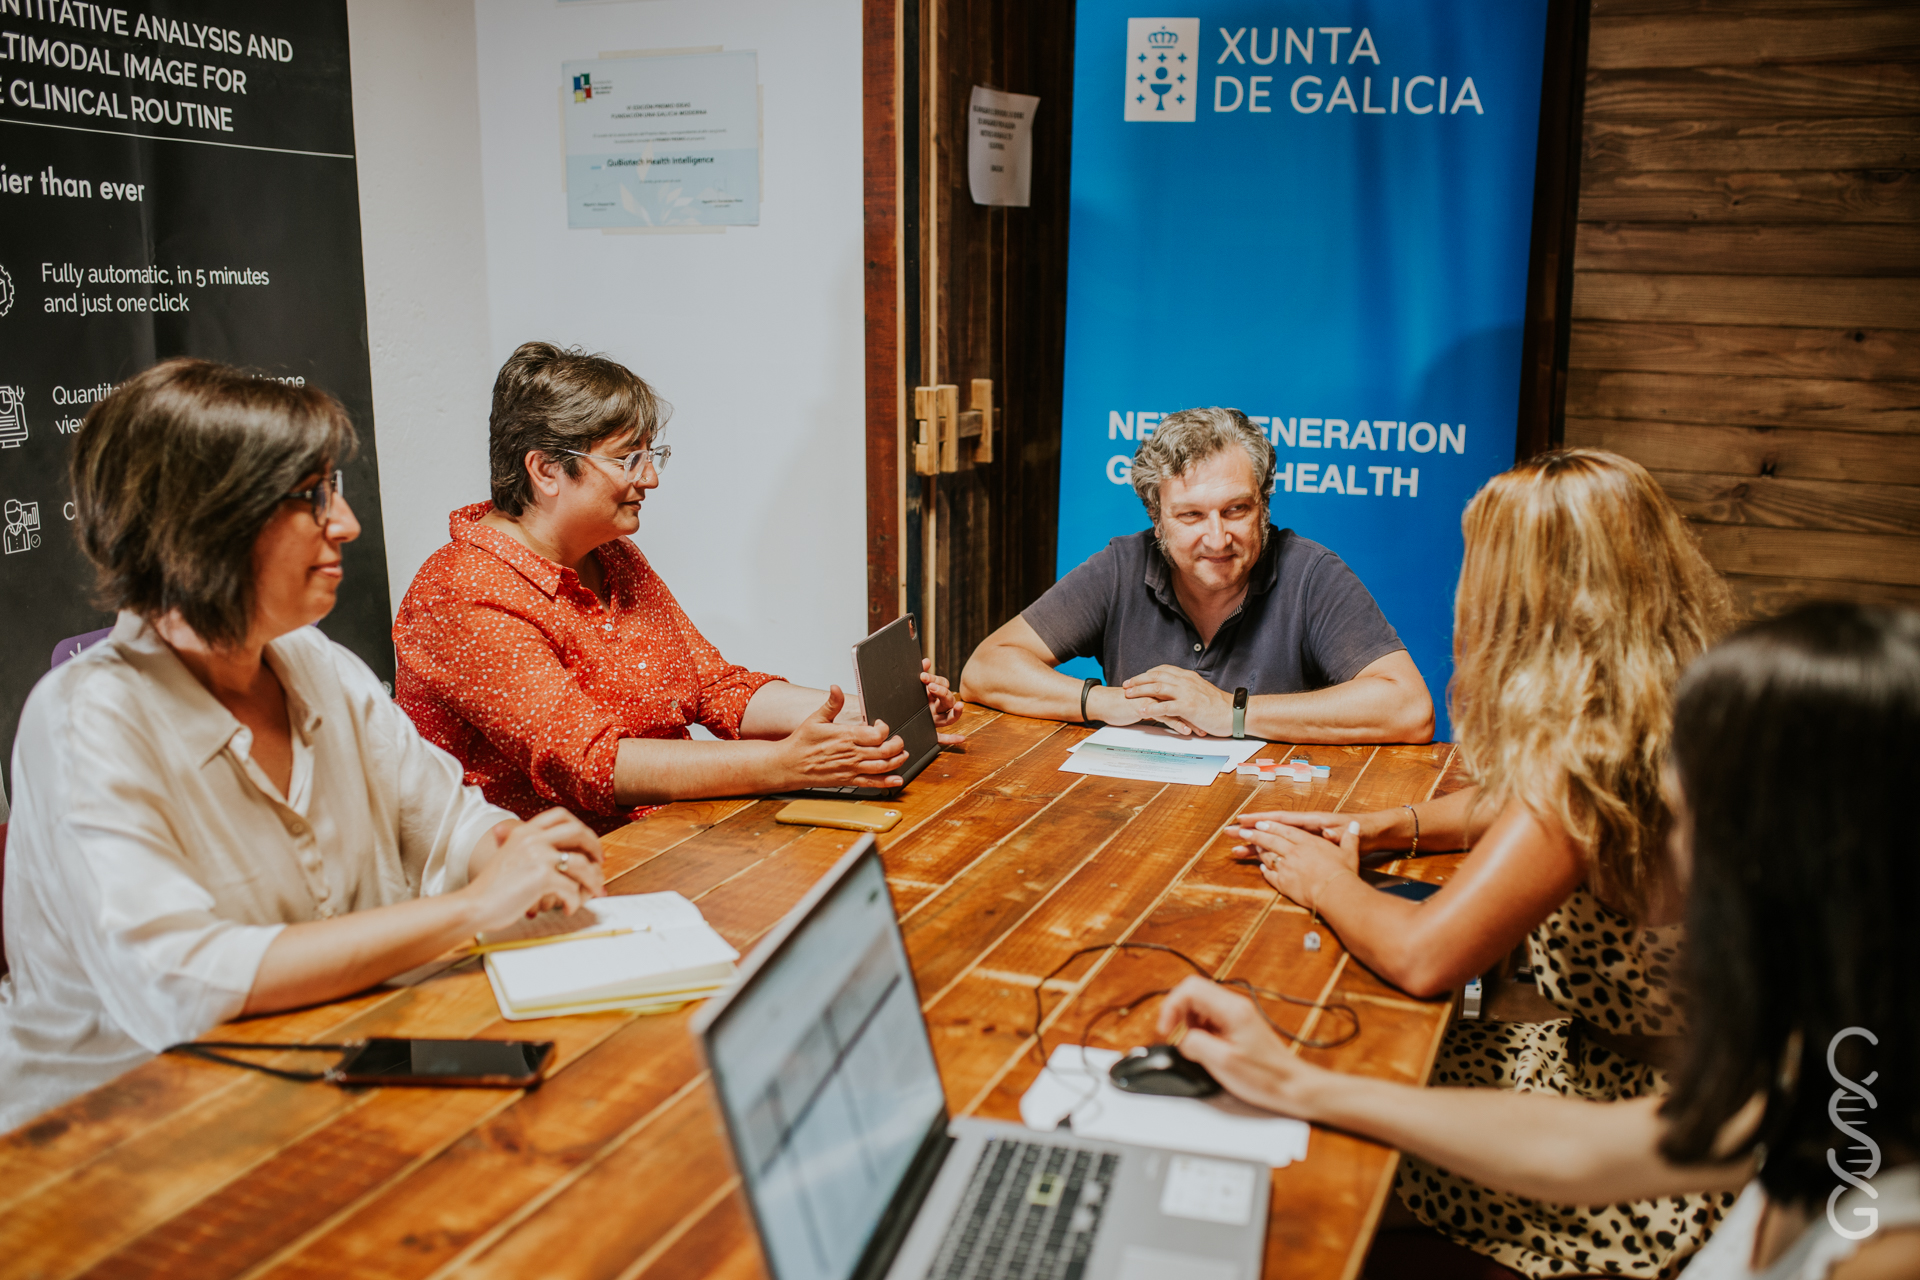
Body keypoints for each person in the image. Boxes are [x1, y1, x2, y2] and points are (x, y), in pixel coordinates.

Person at [1163, 603, 1919, 1280]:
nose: (1671, 850)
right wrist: (1295, 1082)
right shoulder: (1835, 1072)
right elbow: (1581, 1148)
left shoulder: (1886, 1248)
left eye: (1692, 816)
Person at [0, 360, 606, 1131]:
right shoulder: (85, 719)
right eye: (312, 497)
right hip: (113, 1132)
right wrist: (477, 905)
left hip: (322, 1072)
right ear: (206, 520)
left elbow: (448, 824)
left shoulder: (316, 662)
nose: (346, 523)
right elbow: (184, 983)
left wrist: (515, 853)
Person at [1227, 448, 1737, 1277]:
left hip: (1639, 1150)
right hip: (1672, 1091)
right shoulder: (1675, 703)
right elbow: (1513, 808)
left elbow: (1424, 957)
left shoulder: (1586, 767)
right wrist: (1384, 826)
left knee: (1306, 1167)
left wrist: (1322, 879)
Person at [393, 343, 961, 833]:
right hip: (547, 870)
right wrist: (782, 764)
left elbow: (713, 687)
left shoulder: (610, 555)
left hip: (663, 831)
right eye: (628, 459)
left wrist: (867, 716)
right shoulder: (463, 590)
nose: (651, 478)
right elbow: (590, 762)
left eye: (651, 455)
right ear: (545, 470)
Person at [959, 406, 1432, 743]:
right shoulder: (1122, 565)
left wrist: (1231, 712)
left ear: (1263, 505)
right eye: (1191, 516)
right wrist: (1108, 703)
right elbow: (985, 670)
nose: (1218, 538)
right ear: (1157, 519)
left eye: (1236, 510)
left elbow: (1409, 708)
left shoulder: (1311, 574)